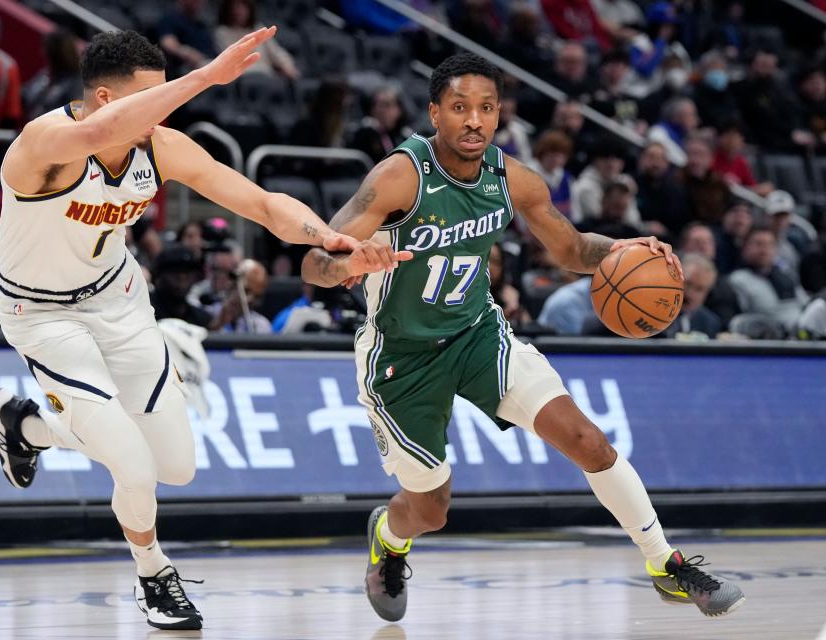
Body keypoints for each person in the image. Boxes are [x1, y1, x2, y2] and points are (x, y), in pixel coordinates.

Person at [0, 29, 405, 632]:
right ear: (106, 98)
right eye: (151, 98)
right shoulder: (44, 144)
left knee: (173, 465)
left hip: (118, 300)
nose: (165, 111)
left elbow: (260, 203)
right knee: (129, 463)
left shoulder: (159, 147)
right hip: (43, 314)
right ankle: (155, 575)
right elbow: (98, 135)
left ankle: (22, 424)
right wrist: (204, 75)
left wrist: (329, 239)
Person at [300, 52, 743, 623]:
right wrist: (348, 262)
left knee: (588, 440)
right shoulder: (399, 176)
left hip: (478, 334)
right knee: (430, 510)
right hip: (401, 356)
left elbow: (572, 250)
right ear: (435, 113)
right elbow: (314, 261)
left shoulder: (511, 179)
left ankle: (666, 566)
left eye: (486, 108)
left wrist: (629, 249)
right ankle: (388, 536)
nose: (475, 121)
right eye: (460, 108)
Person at [215, 0, 299, 79]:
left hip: (266, 77)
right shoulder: (222, 32)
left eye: (242, 6)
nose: (238, 11)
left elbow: (276, 52)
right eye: (234, 7)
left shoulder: (258, 28)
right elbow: (231, 61)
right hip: (242, 77)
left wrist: (288, 67)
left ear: (249, 8)